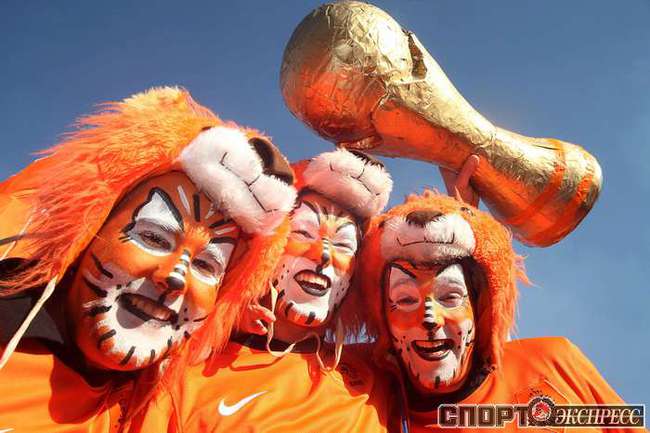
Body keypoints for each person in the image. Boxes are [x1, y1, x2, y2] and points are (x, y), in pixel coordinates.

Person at [0, 87, 297, 433]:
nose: (175, 277)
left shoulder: (163, 406)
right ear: (90, 229)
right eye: (154, 238)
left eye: (206, 265)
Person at [139, 148, 394, 432]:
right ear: (264, 249)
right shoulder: (182, 375)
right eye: (303, 233)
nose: (323, 254)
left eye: (343, 244)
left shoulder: (381, 373)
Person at [358, 190, 638, 432]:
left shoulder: (555, 359)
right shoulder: (369, 408)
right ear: (383, 318)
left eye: (450, 296)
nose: (430, 318)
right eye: (406, 300)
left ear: (481, 307)